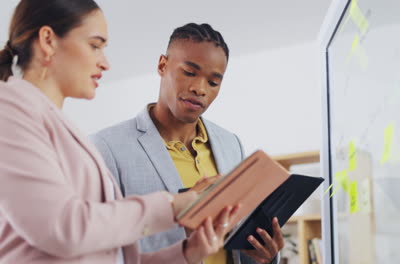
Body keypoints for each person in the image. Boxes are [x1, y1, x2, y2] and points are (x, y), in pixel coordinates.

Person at [0, 1, 239, 263]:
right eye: (94, 45)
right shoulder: (8, 109)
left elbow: (117, 258)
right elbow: (62, 228)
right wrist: (176, 205)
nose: (105, 63)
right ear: (48, 40)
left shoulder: (63, 129)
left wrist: (188, 252)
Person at [91, 23, 284, 264]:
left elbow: (236, 236)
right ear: (163, 65)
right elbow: (98, 241)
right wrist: (184, 223)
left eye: (213, 82)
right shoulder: (106, 146)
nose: (199, 89)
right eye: (190, 73)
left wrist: (265, 255)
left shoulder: (230, 143)